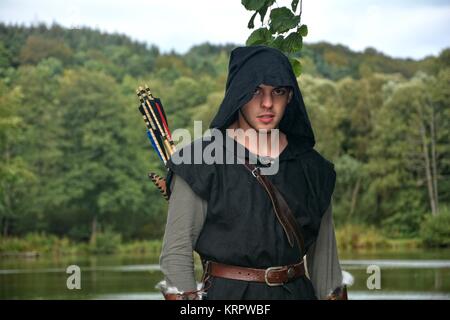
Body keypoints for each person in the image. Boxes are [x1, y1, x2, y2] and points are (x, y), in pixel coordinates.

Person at [157, 45, 348, 300]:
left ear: (290, 97)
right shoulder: (198, 163)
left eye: (278, 91)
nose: (267, 103)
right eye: (255, 91)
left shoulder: (313, 169)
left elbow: (327, 269)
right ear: (238, 94)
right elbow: (176, 256)